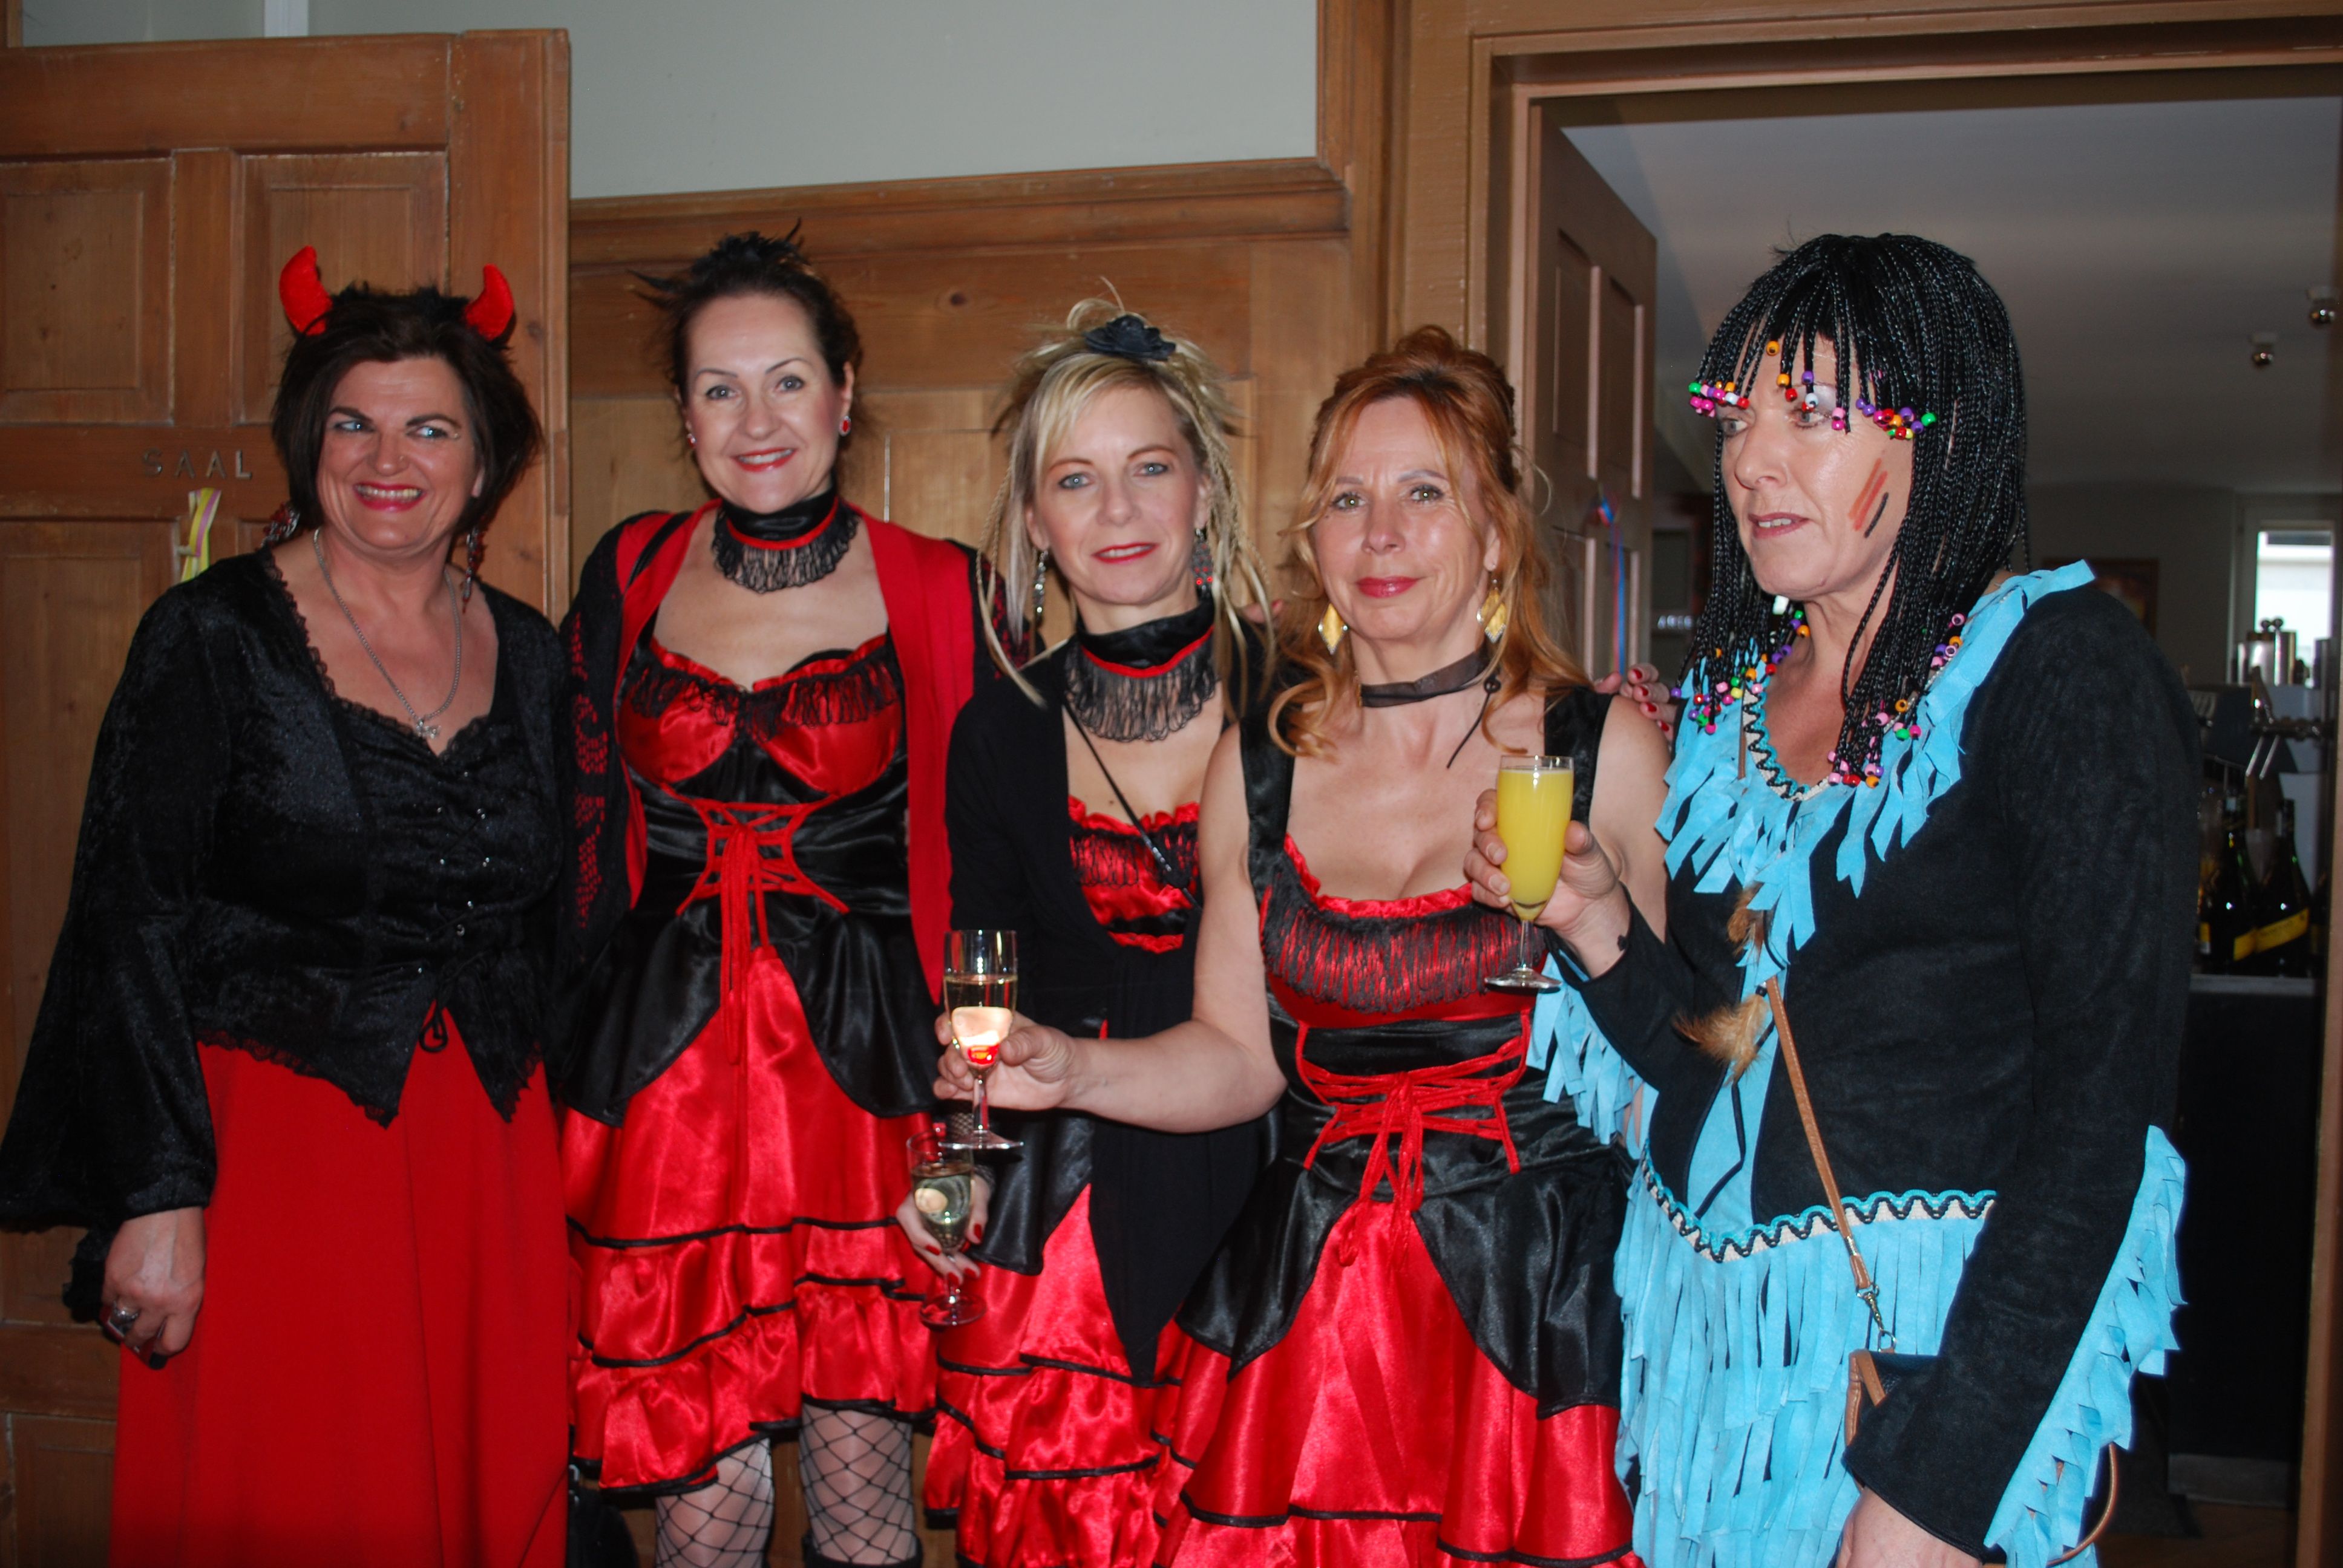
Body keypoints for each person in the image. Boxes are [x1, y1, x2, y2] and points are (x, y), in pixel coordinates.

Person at [1473, 234, 2194, 1568]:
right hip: (1713, 1383)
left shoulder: (2060, 670)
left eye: (1809, 415)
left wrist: (1935, 1489)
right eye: (1736, 419)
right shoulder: (1727, 713)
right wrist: (1593, 924)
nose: (1750, 462)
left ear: (1944, 431)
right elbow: (1719, 1056)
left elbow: (2102, 1126)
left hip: (1928, 1378)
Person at [939, 326, 1673, 1566]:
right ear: (1313, 541)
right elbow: (1239, 1056)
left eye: (1423, 494)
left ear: (1496, 533)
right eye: (1346, 500)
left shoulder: (1599, 750)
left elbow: (1684, 1065)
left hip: (1540, 1310)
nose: (1380, 534)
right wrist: (1071, 1069)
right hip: (1314, 1315)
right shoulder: (1262, 764)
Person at [0, 249, 566, 1566]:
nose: (388, 459)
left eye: (431, 429)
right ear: (309, 444)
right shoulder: (211, 638)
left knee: (487, 1487)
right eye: (353, 423)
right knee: (304, 1488)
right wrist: (157, 1197)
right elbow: (129, 918)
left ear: (484, 461)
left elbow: (566, 922)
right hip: (277, 1164)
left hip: (487, 1158)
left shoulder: (536, 653)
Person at [557, 230, 996, 1568]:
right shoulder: (629, 572)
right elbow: (568, 831)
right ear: (685, 417)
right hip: (664, 1099)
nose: (757, 421)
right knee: (704, 1505)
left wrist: (975, 1128)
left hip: (865, 1093)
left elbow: (999, 873)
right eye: (721, 389)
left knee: (865, 1495)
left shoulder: (943, 586)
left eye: (788, 381)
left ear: (844, 394)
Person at [899, 302, 1276, 1567]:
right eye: (1076, 480)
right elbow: (982, 980)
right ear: (1034, 522)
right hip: (1065, 1180)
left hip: (1281, 1177)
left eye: (1148, 468)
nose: (1117, 510)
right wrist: (954, 1165)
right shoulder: (998, 729)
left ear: (1204, 492)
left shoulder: (1307, 702)